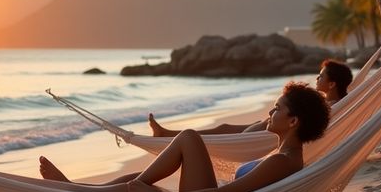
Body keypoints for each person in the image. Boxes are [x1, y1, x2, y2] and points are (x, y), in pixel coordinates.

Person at [35, 82, 330, 192]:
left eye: (277, 108)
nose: (270, 111)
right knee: (133, 181)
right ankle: (75, 188)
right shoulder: (283, 155)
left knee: (187, 140)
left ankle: (73, 190)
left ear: (293, 121)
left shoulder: (282, 161)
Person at [147, 59, 351, 138]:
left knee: (222, 132)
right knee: (224, 127)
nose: (317, 78)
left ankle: (167, 134)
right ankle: (167, 133)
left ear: (332, 84)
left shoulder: (327, 106)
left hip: (262, 136)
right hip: (265, 128)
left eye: (321, 76)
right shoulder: (334, 103)